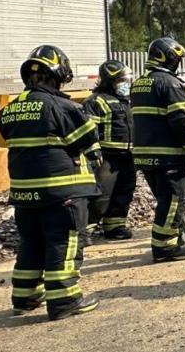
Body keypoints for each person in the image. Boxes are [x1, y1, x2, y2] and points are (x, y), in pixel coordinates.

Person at [0, 45, 101, 320]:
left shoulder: (9, 110)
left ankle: (25, 296)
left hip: (24, 195)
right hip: (61, 193)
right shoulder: (62, 106)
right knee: (63, 243)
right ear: (57, 75)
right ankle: (65, 300)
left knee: (32, 243)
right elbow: (88, 139)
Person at [132, 37, 185, 262]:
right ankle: (165, 247)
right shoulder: (170, 84)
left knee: (164, 199)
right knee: (174, 199)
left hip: (145, 154)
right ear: (169, 58)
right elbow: (182, 120)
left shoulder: (139, 83)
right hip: (168, 155)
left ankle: (170, 240)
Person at [82, 60, 136, 241]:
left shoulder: (126, 101)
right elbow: (88, 131)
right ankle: (85, 232)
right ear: (109, 80)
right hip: (107, 158)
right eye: (121, 80)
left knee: (124, 192)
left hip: (127, 156)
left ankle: (115, 227)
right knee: (100, 195)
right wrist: (93, 152)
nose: (125, 83)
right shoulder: (95, 101)